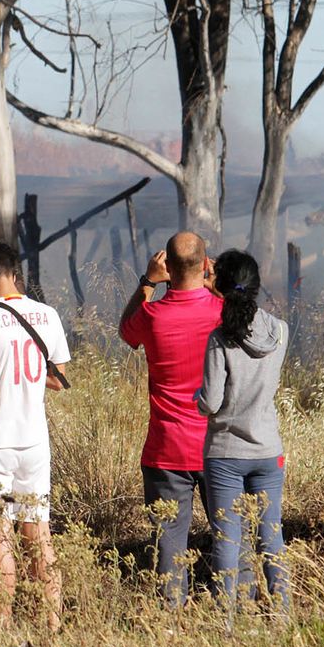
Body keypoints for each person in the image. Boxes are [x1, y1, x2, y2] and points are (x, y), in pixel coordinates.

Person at [0, 240, 68, 630]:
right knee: (38, 533)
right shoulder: (47, 314)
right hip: (35, 440)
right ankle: (51, 622)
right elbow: (58, 377)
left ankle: (1, 621)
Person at [118, 231, 221, 606]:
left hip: (166, 449)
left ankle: (170, 621)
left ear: (167, 268)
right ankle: (233, 612)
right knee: (230, 538)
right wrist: (215, 284)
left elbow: (125, 329)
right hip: (219, 447)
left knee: (168, 547)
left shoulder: (152, 315)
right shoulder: (221, 312)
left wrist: (147, 282)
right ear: (206, 265)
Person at [195, 250, 290, 614]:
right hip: (268, 449)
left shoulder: (220, 339)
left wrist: (197, 398)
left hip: (225, 452)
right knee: (271, 536)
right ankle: (281, 615)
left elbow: (212, 402)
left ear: (219, 288)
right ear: (256, 286)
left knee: (227, 540)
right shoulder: (280, 331)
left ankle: (227, 623)